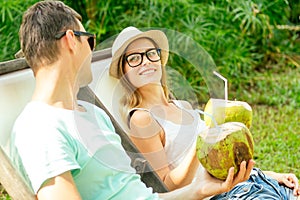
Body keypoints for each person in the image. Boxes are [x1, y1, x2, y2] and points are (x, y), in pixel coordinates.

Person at [9, 1, 255, 200]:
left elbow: (141, 196)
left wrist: (198, 190)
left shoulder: (95, 114)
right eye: (90, 40)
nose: (91, 50)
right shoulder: (40, 128)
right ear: (72, 40)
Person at [108, 26, 300, 199]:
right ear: (123, 71)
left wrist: (270, 176)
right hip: (221, 195)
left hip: (249, 183)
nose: (146, 62)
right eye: (134, 58)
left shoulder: (182, 105)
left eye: (151, 53)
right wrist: (201, 141)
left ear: (160, 59)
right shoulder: (142, 119)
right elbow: (166, 185)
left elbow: (217, 163)